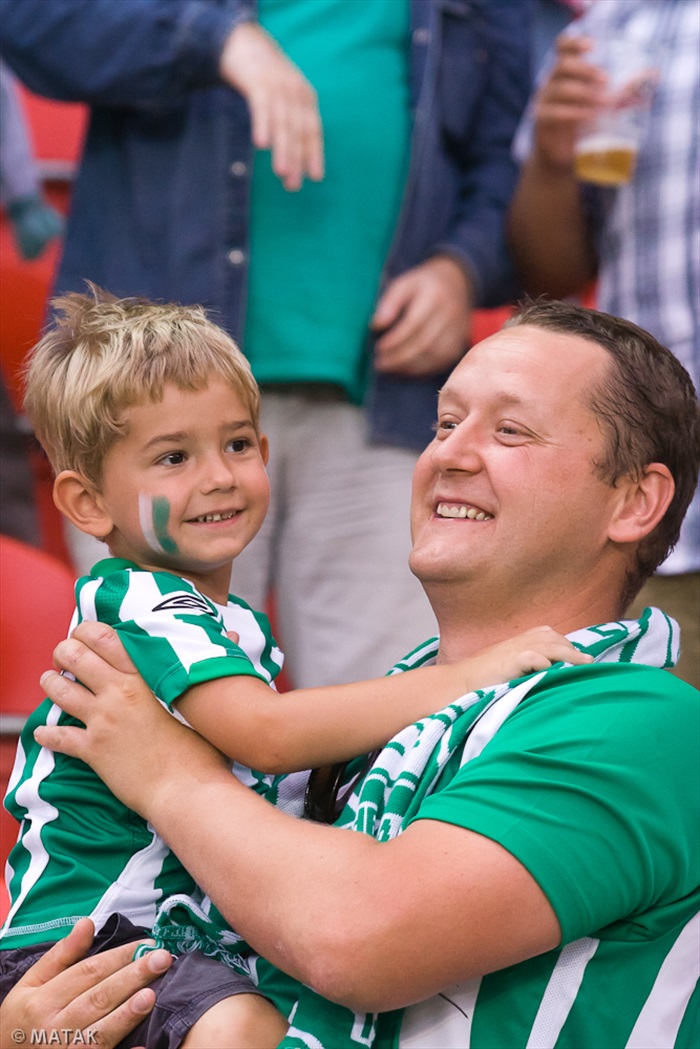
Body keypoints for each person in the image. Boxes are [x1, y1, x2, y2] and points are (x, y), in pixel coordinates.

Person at [4, 300, 699, 1047]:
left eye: (509, 430)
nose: (449, 455)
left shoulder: (636, 715)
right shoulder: (375, 725)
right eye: (442, 425)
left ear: (634, 501)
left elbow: (354, 935)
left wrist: (166, 774)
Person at [0, 0, 532, 688]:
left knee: (380, 741)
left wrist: (463, 264)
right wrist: (214, 38)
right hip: (152, 405)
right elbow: (32, 22)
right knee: (165, 716)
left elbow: (505, 161)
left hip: (386, 399)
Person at [508, 0, 700, 688]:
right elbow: (551, 272)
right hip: (658, 481)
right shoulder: (603, 32)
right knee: (658, 764)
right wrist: (554, 163)